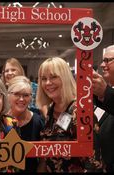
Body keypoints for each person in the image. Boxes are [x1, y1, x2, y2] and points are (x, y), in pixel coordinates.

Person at [36, 57, 102, 172]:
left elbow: (94, 163)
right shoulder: (51, 109)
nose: (48, 83)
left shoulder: (80, 111)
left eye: (53, 77)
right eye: (43, 79)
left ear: (65, 78)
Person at [7, 75, 45, 172]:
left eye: (26, 95)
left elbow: (43, 160)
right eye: (16, 94)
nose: (21, 99)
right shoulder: (0, 121)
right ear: (8, 95)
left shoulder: (38, 122)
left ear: (31, 98)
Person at [93, 44, 114, 172]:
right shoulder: (107, 92)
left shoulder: (108, 93)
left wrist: (105, 93)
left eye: (107, 60)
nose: (101, 65)